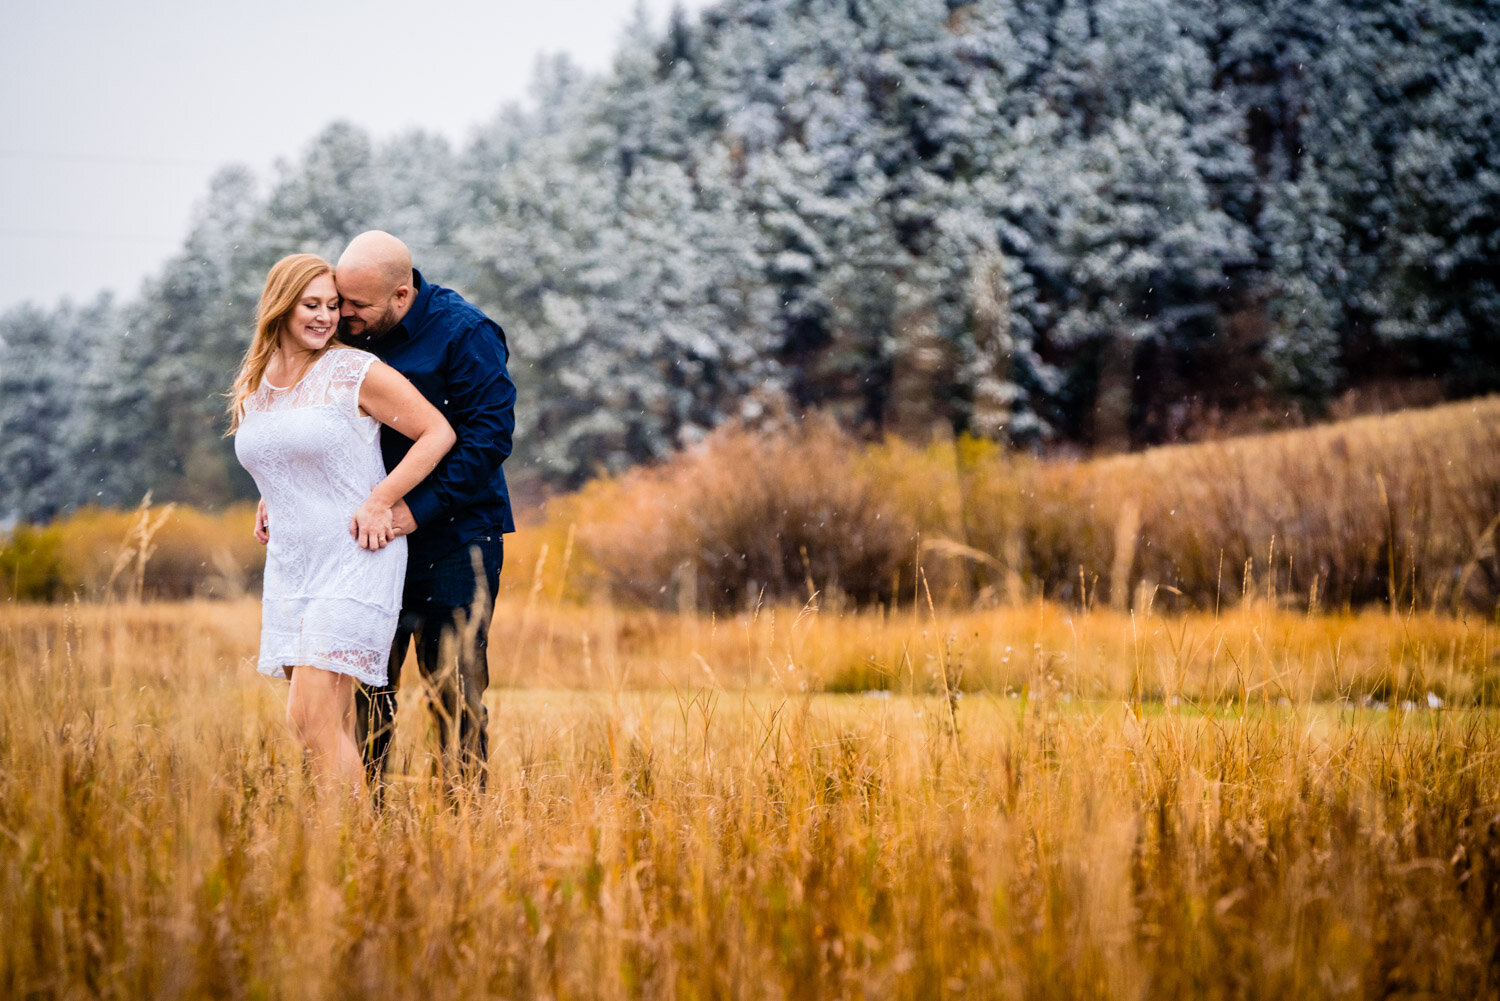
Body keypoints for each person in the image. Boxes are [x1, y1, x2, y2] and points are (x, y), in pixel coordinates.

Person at [230, 253, 455, 793]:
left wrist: (383, 499)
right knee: (330, 724)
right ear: (280, 307)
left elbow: (437, 432)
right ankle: (345, 850)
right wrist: (272, 497)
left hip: (354, 554)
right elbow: (279, 454)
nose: (325, 317)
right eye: (311, 305)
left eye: (333, 306)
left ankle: (353, 847)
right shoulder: (258, 381)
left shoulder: (352, 370)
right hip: (291, 564)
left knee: (306, 718)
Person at [334, 231, 517, 791]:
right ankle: (368, 824)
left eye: (358, 306)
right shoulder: (343, 333)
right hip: (370, 541)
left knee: (455, 698)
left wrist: (418, 509)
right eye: (341, 301)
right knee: (366, 693)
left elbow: (489, 438)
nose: (345, 316)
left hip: (456, 543)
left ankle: (463, 838)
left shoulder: (466, 334)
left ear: (402, 295)